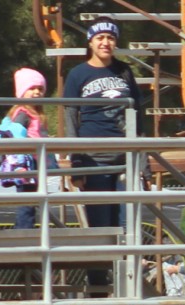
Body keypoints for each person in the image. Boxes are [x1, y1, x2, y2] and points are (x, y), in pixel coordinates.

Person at [63, 17, 143, 230]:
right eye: (100, 38)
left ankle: (128, 263)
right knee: (101, 224)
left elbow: (139, 115)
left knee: (128, 224)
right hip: (94, 160)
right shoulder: (78, 74)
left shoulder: (125, 72)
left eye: (110, 38)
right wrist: (76, 163)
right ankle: (100, 265)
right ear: (90, 42)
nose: (105, 42)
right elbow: (70, 118)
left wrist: (144, 162)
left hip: (126, 158)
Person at [7, 68, 49, 229]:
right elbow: (16, 136)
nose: (37, 92)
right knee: (27, 203)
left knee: (31, 201)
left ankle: (22, 231)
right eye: (32, 89)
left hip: (36, 163)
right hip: (26, 164)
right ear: (22, 92)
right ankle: (23, 232)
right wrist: (20, 163)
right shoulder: (23, 113)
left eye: (40, 89)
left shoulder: (37, 115)